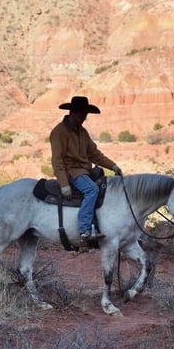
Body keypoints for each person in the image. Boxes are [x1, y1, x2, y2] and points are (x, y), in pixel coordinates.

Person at [49, 95, 123, 245]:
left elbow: (94, 154)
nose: (84, 117)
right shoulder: (59, 133)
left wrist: (113, 166)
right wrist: (64, 184)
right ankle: (84, 231)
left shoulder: (82, 132)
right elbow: (57, 161)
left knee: (106, 188)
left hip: (84, 171)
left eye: (86, 114)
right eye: (82, 114)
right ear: (73, 112)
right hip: (72, 172)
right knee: (92, 190)